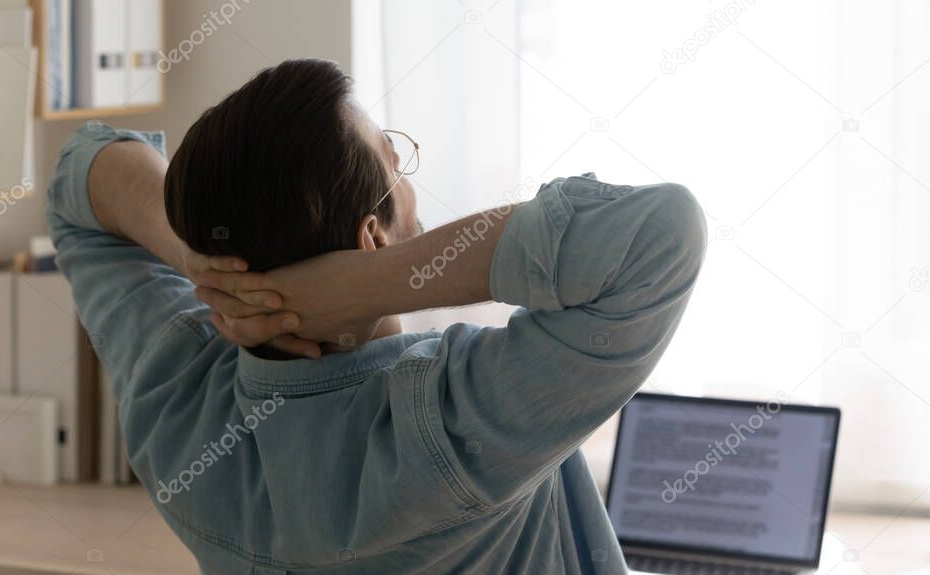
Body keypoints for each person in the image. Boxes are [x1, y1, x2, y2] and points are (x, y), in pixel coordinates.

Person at [47, 58, 706, 574]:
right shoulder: (462, 419)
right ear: (372, 240)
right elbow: (661, 236)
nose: (409, 170)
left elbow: (79, 176)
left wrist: (200, 264)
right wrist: (367, 284)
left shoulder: (180, 407)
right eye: (395, 159)